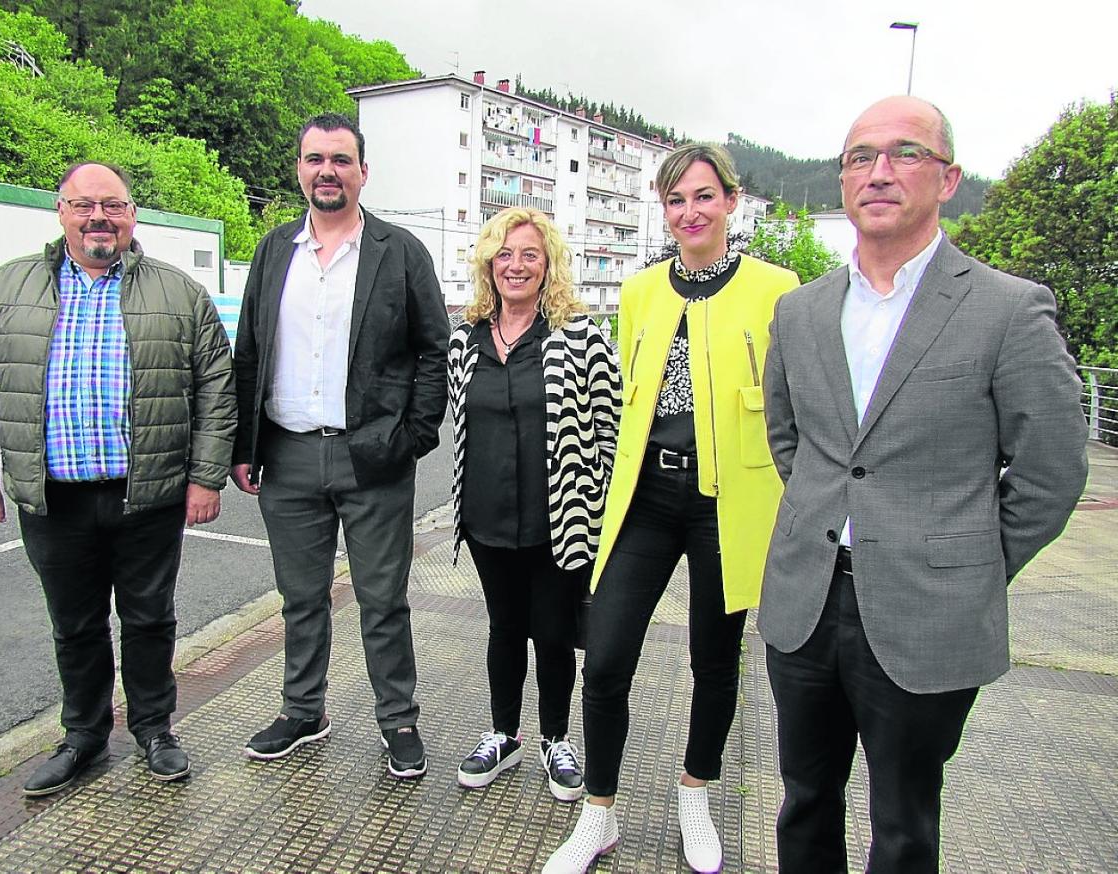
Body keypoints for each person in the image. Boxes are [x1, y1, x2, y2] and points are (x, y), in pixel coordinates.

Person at [758, 96, 1090, 873]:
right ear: (842, 182)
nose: (878, 172)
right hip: (806, 601)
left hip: (925, 611)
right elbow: (793, 441)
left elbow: (1053, 465)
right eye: (859, 157)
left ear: (948, 179)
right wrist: (825, 518)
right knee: (804, 800)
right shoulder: (800, 312)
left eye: (905, 153)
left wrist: (968, 562)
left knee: (904, 825)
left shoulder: (1007, 308)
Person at [544, 144, 799, 874]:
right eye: (675, 200)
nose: (689, 212)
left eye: (702, 197)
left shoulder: (777, 288)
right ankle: (600, 813)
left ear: (731, 201)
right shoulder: (641, 290)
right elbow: (630, 396)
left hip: (729, 500)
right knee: (607, 659)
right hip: (647, 497)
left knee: (715, 660)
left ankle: (696, 792)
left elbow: (790, 403)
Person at [0, 162, 237, 796]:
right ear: (61, 212)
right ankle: (83, 735)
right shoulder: (6, 289)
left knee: (149, 619)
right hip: (53, 498)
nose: (98, 217)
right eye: (84, 206)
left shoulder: (179, 293)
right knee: (74, 624)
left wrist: (205, 477)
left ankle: (156, 730)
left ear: (133, 214)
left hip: (149, 494)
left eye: (113, 205)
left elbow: (218, 388)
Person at [232, 113, 450, 779]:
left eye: (340, 159)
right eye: (314, 159)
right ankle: (303, 711)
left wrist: (412, 437)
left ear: (362, 172)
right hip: (289, 453)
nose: (326, 170)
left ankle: (398, 721)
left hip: (374, 456)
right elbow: (249, 352)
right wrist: (245, 446)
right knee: (301, 598)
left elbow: (433, 351)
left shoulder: (400, 251)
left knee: (382, 600)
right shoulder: (274, 252)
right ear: (299, 169)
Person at [448, 208, 619, 801]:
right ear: (488, 265)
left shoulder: (580, 335)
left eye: (529, 255)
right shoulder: (465, 339)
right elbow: (460, 421)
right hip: (487, 517)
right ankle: (503, 734)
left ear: (548, 266)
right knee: (504, 628)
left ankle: (555, 740)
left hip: (560, 519)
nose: (515, 265)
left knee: (551, 632)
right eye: (504, 254)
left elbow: (609, 431)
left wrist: (598, 509)